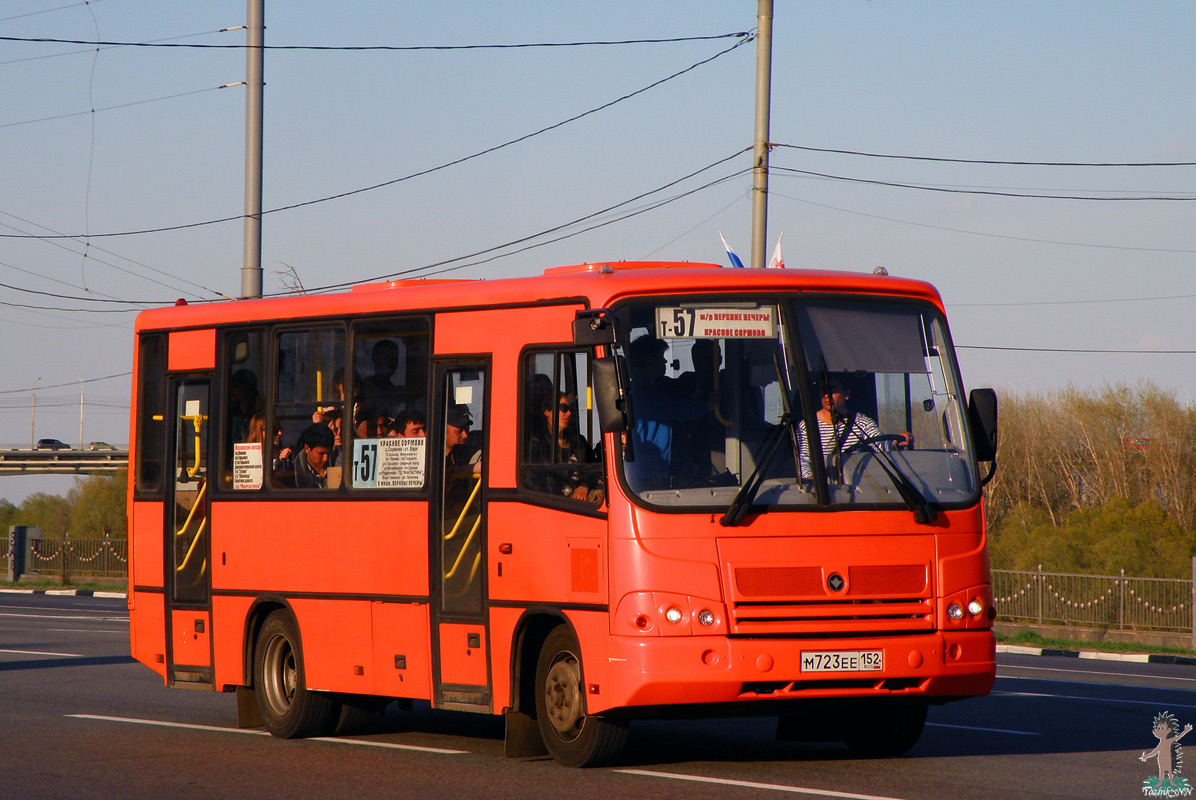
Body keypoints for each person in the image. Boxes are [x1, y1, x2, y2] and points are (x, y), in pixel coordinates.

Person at [797, 373, 910, 481]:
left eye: (833, 389)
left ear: (847, 394)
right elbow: (804, 459)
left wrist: (896, 443)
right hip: (824, 493)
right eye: (824, 390)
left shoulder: (862, 423)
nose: (827, 395)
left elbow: (880, 444)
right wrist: (812, 482)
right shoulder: (807, 426)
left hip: (855, 489)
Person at [526, 392, 602, 503]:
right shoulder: (536, 444)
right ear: (547, 412)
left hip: (583, 504)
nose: (569, 413)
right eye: (564, 408)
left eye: (570, 408)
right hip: (558, 507)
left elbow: (597, 468)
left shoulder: (579, 442)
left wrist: (584, 485)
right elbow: (530, 480)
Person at [289, 423, 336, 489]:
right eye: (321, 454)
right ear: (307, 448)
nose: (326, 458)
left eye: (329, 453)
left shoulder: (338, 465)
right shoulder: (291, 476)